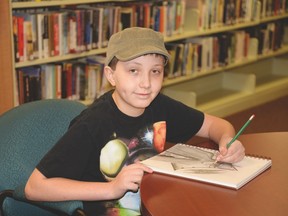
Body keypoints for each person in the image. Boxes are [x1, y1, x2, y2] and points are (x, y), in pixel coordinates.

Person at [25, 27, 245, 216]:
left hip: (154, 205)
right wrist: (111, 189)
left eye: (155, 72)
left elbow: (217, 126)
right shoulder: (92, 124)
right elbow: (34, 187)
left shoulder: (160, 106)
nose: (146, 83)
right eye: (133, 71)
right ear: (111, 76)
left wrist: (228, 140)